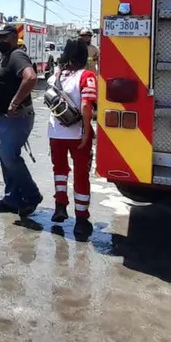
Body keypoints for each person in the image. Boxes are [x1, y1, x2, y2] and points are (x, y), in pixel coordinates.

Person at [0, 24, 42, 216]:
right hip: (5, 118)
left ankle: (32, 195)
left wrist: (14, 103)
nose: (0, 41)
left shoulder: (17, 55)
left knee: (10, 156)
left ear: (13, 37)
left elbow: (31, 78)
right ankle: (12, 198)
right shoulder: (7, 57)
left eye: (4, 37)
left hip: (17, 117)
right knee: (5, 157)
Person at [48, 38, 98, 238]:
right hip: (77, 134)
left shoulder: (55, 76)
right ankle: (81, 219)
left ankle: (60, 206)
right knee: (81, 175)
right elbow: (86, 106)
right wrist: (86, 132)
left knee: (60, 171)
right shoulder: (87, 76)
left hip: (55, 133)